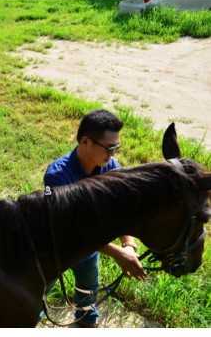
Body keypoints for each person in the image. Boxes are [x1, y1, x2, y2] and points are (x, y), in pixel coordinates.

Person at [43, 109, 146, 328]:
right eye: (109, 148)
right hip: (56, 249)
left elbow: (120, 210)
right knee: (37, 297)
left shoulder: (110, 168)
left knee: (88, 298)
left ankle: (85, 322)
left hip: (89, 252)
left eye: (116, 148)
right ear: (85, 141)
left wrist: (128, 244)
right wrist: (116, 252)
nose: (113, 154)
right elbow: (73, 228)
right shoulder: (58, 176)